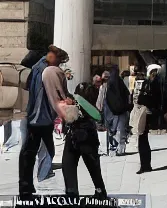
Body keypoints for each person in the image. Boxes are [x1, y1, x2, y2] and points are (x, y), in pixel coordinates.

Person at [18, 45, 69, 199]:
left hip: (37, 117)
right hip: (39, 118)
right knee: (31, 152)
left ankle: (28, 186)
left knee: (33, 151)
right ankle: (26, 188)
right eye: (59, 60)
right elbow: (42, 96)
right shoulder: (44, 70)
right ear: (52, 56)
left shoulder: (39, 67)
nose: (60, 64)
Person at [62, 81, 107, 198]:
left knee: (91, 166)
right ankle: (72, 192)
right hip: (75, 136)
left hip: (85, 136)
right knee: (68, 164)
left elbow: (95, 115)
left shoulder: (86, 107)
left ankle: (99, 191)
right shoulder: (74, 103)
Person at [131, 64, 161, 174]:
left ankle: (145, 165)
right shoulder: (152, 82)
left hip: (147, 112)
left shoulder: (153, 83)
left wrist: (141, 100)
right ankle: (145, 164)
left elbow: (150, 99)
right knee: (142, 139)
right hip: (147, 111)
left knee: (142, 138)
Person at [104, 64, 130, 156]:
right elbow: (126, 94)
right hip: (121, 111)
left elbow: (107, 98)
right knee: (121, 130)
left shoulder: (110, 83)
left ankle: (114, 148)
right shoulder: (119, 82)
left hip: (112, 111)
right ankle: (120, 149)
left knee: (113, 130)